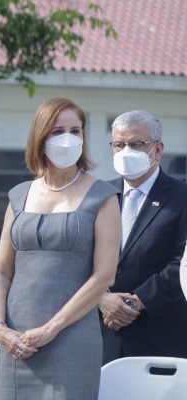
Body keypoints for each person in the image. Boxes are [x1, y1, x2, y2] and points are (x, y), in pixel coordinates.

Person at [0, 97, 121, 399]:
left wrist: (51, 328)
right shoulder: (18, 195)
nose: (67, 139)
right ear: (40, 136)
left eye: (75, 131)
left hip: (71, 338)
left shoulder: (103, 196)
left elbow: (104, 276)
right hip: (15, 341)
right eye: (57, 131)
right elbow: (1, 270)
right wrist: (0, 327)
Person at [99, 110, 187, 364]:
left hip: (161, 339)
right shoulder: (99, 196)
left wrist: (136, 303)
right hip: (102, 338)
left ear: (157, 150)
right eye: (119, 145)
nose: (126, 151)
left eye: (136, 144)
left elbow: (181, 264)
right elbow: (81, 257)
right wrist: (102, 298)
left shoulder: (181, 197)